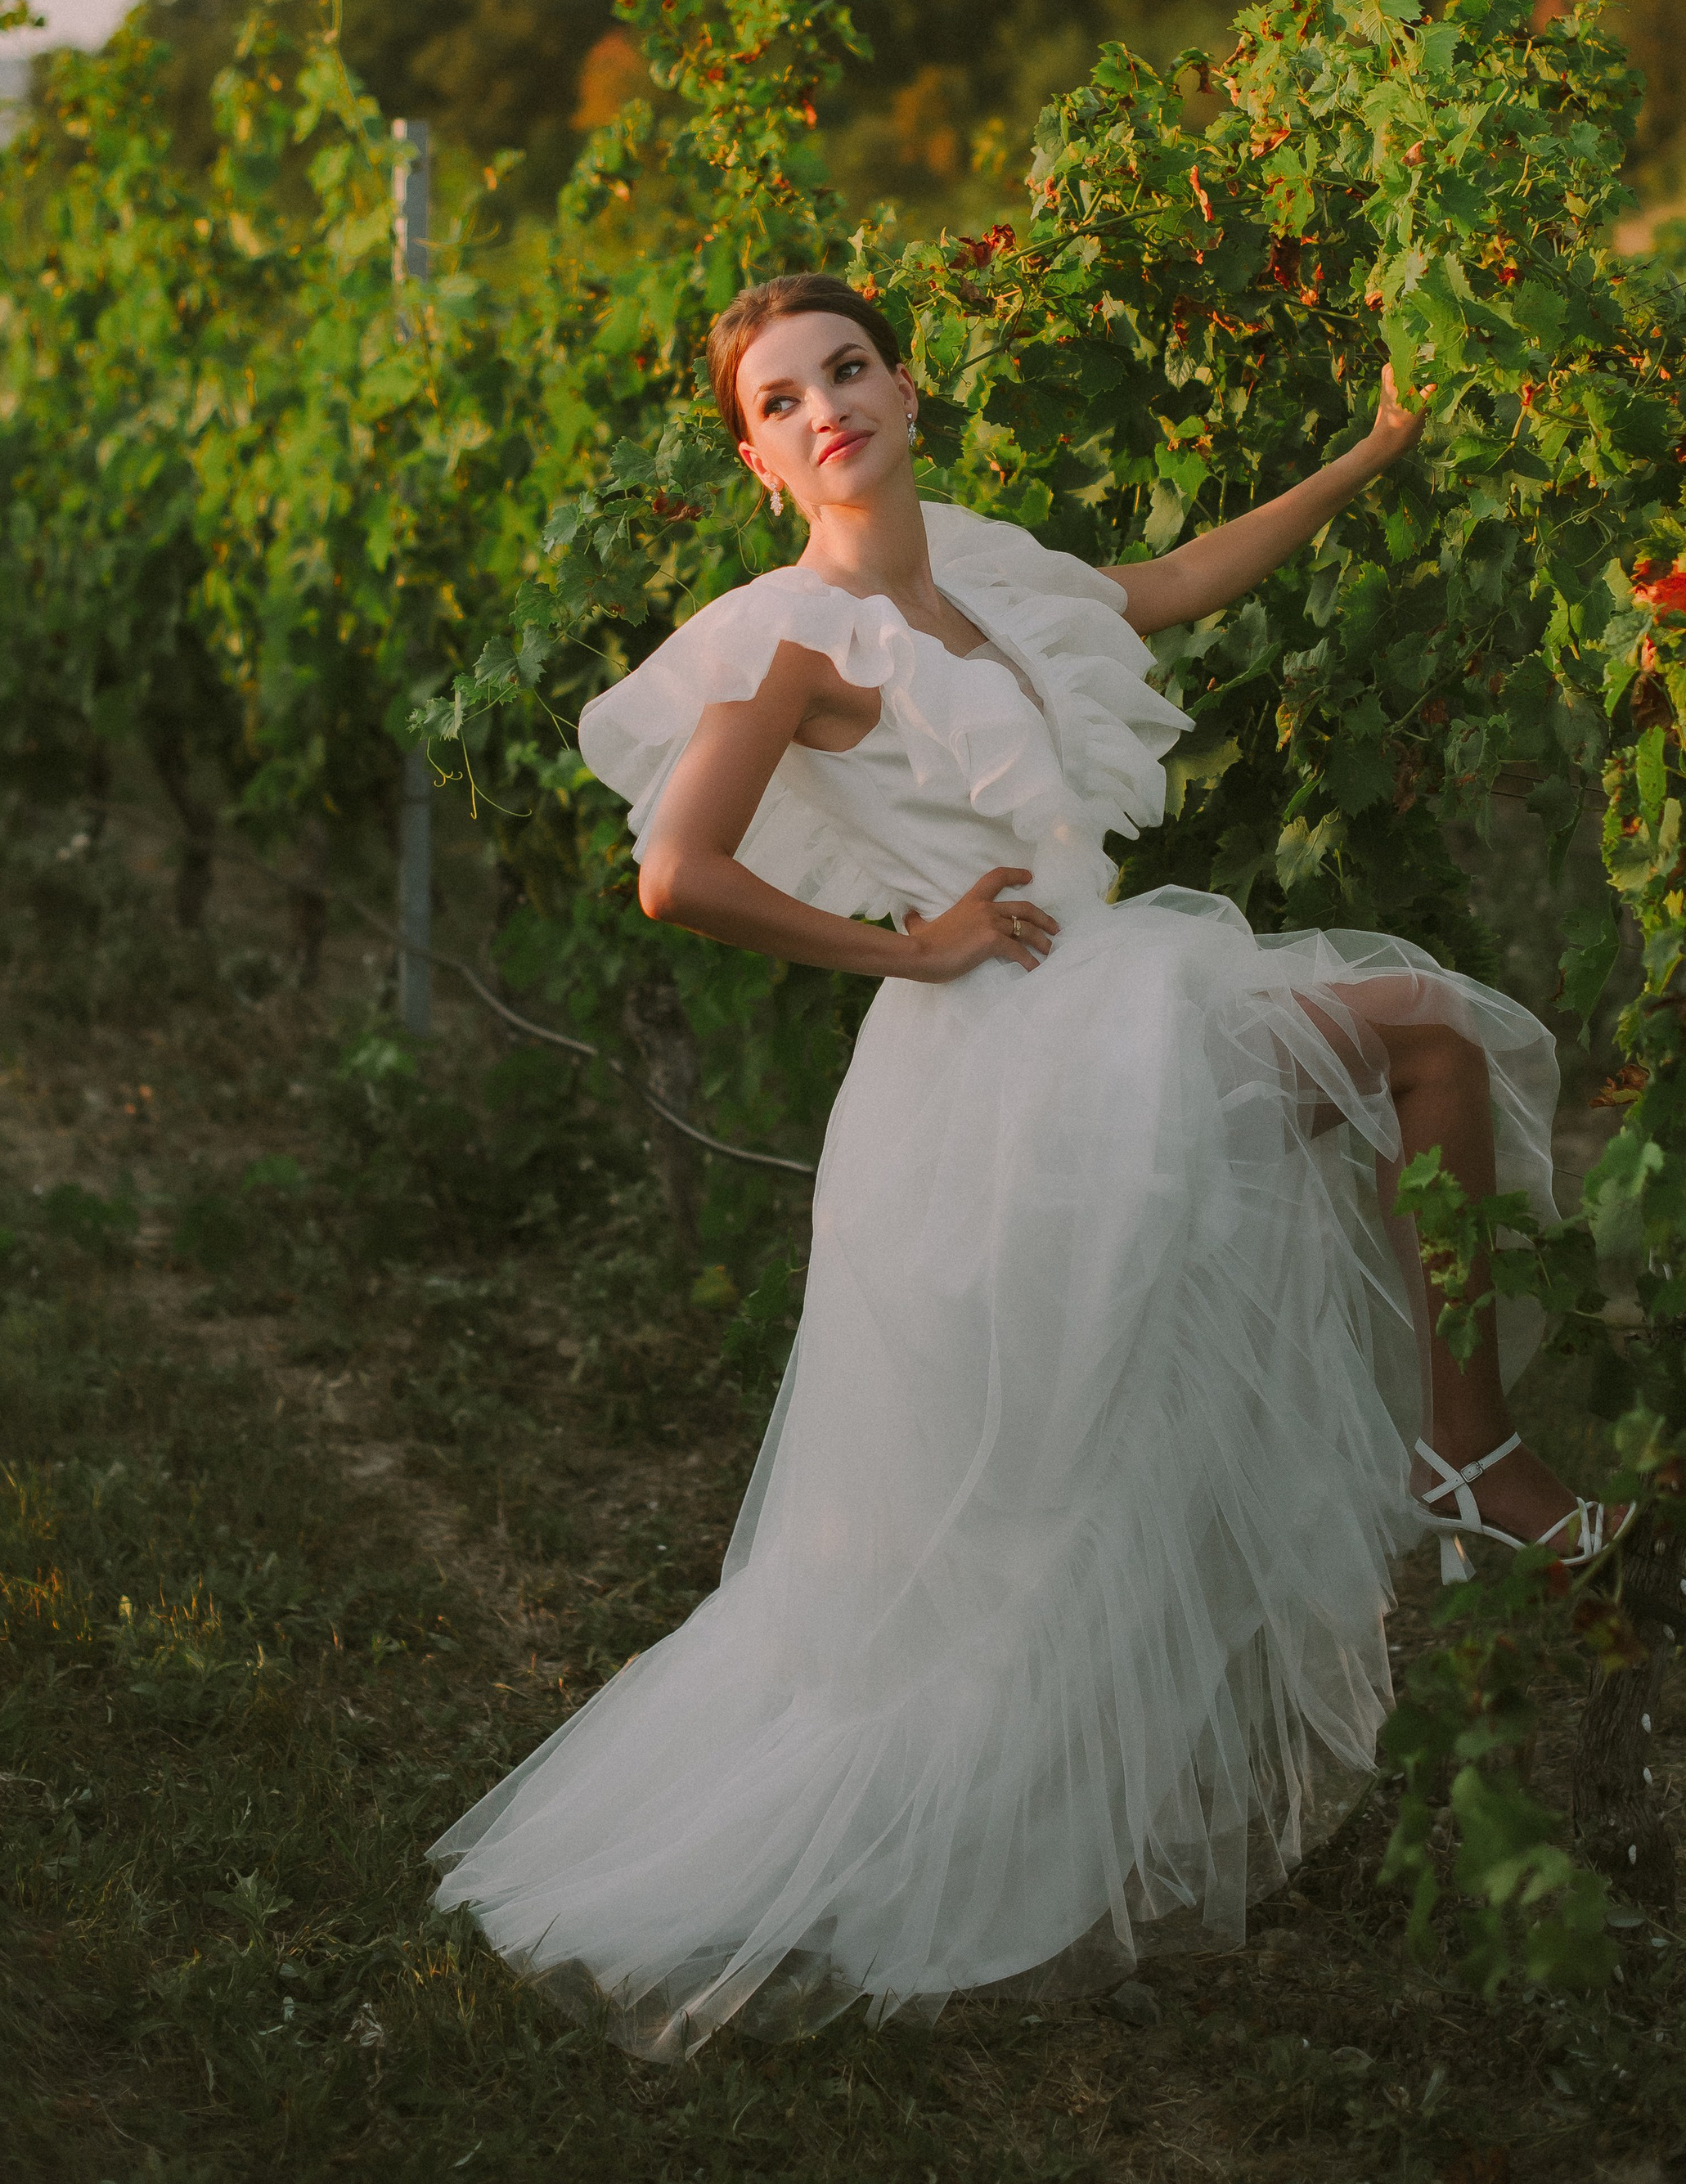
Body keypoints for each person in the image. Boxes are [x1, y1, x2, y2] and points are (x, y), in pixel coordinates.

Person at [430, 271, 1616, 2060]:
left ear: (905, 389)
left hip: (1102, 1003)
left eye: (847, 369)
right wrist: (908, 947)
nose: (826, 408)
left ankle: (1458, 1455)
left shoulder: (978, 573)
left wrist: (1374, 447)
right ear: (758, 461)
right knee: (1416, 1058)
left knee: (1168, 1373)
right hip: (1006, 1053)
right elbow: (674, 871)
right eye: (779, 401)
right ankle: (1461, 1458)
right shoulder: (790, 637)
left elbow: (1177, 579)